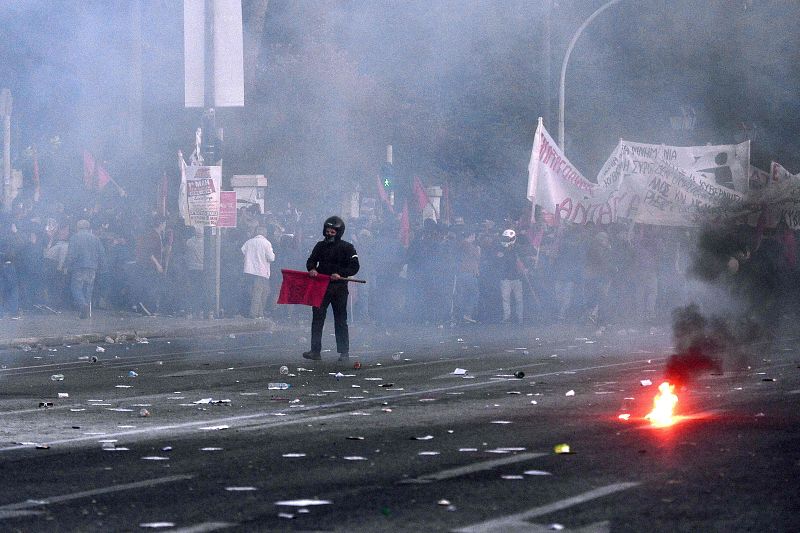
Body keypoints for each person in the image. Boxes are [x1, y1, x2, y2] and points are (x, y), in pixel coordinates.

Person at [302, 215, 360, 361]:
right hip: (321, 287)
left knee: (340, 320)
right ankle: (315, 351)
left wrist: (340, 274)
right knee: (317, 318)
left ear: (338, 232)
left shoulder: (348, 247)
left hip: (339, 288)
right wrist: (312, 269)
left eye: (332, 232)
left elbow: (355, 267)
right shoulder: (319, 246)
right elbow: (311, 260)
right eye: (327, 231)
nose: (329, 234)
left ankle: (344, 352)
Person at [65, 219, 105, 319]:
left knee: (76, 288)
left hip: (79, 267)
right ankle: (85, 311)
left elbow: (71, 254)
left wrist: (67, 265)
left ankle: (83, 305)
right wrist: (102, 267)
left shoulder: (75, 237)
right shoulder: (96, 239)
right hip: (92, 268)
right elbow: (102, 254)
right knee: (88, 289)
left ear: (77, 227)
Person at [241, 226, 276, 319]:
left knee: (256, 291)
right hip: (261, 271)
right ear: (265, 233)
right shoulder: (266, 243)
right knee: (259, 292)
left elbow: (242, 251)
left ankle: (260, 313)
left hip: (249, 270)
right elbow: (271, 258)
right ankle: (254, 314)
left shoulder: (249, 242)